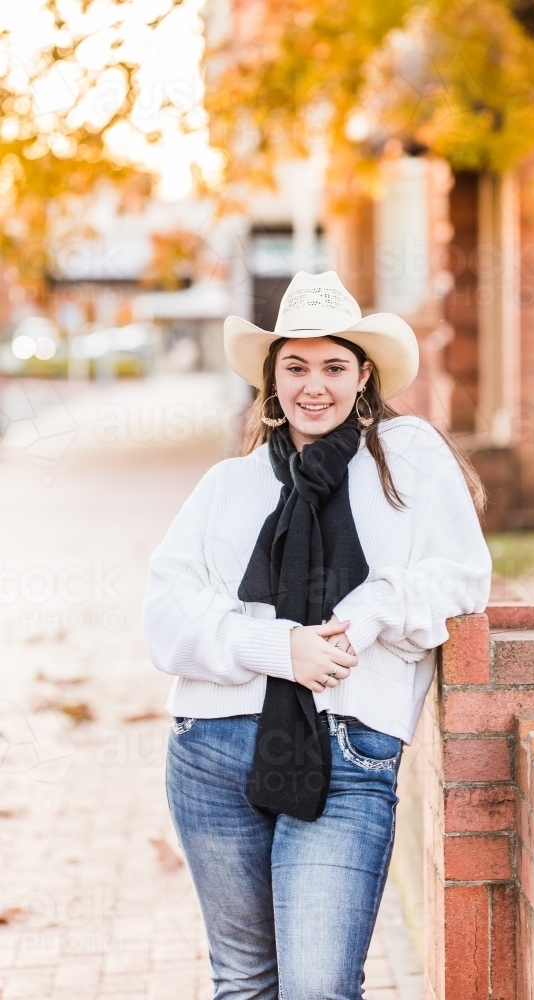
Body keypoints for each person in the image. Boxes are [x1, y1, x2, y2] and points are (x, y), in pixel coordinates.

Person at [142, 270, 492, 1000]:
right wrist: (280, 649)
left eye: (333, 366)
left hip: (346, 752)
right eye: (294, 366)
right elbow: (165, 622)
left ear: (363, 374)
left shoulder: (408, 457)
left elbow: (460, 576)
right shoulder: (227, 486)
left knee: (317, 989)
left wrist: (367, 614)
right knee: (244, 982)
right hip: (211, 751)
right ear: (272, 378)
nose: (314, 386)